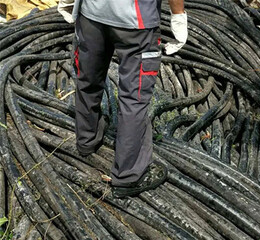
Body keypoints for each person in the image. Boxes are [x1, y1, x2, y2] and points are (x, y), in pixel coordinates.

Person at [57, 0, 187, 197]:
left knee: (88, 79)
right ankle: (128, 176)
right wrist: (178, 16)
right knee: (134, 97)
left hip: (92, 15)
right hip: (135, 24)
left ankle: (86, 140)